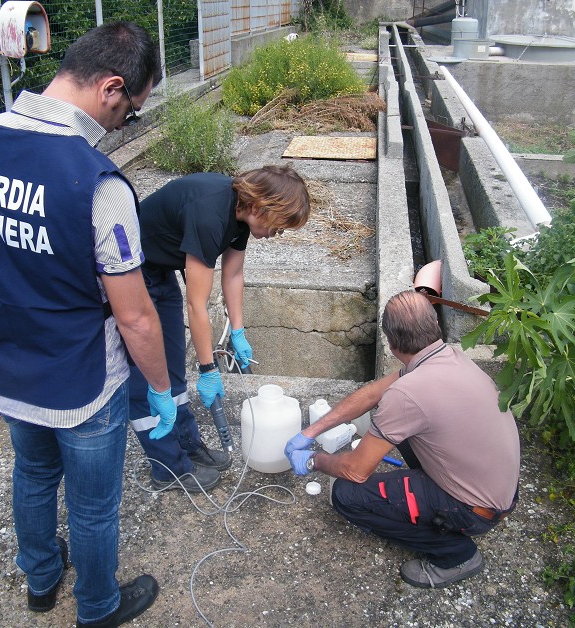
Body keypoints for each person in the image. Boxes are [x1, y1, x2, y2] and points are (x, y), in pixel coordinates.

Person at [0, 22, 173, 627]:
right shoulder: (96, 184)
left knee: (34, 473)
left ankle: (41, 580)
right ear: (112, 89)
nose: (125, 125)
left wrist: (12, 327)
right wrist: (165, 391)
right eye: (133, 112)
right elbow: (136, 315)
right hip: (84, 379)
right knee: (93, 507)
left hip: (11, 368)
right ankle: (97, 607)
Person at [284, 290, 520, 588]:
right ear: (434, 326)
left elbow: (356, 470)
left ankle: (456, 554)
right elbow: (371, 394)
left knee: (344, 494)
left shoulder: (407, 395)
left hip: (473, 510)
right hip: (497, 488)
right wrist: (311, 432)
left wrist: (313, 459)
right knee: (388, 416)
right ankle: (431, 493)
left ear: (392, 344)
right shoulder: (447, 357)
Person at [129, 165, 311, 492]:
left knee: (172, 367)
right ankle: (166, 466)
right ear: (260, 206)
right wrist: (209, 368)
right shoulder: (210, 214)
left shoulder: (239, 213)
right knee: (148, 371)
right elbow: (197, 305)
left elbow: (234, 275)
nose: (276, 234)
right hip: (131, 271)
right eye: (279, 225)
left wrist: (238, 331)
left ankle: (186, 444)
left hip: (160, 268)